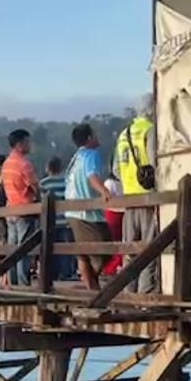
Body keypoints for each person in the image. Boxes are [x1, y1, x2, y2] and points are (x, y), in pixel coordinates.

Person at [65, 123, 116, 290]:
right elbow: (92, 175)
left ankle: (91, 288)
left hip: (72, 209)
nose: (97, 136)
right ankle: (91, 286)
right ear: (89, 138)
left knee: (84, 253)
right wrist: (104, 191)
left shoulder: (75, 158)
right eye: (94, 134)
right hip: (86, 211)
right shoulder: (92, 154)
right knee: (105, 249)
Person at [115, 103, 160, 293]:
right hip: (147, 197)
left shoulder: (123, 134)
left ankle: (128, 293)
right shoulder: (149, 130)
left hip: (129, 198)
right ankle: (144, 295)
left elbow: (116, 169)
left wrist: (129, 181)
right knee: (148, 250)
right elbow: (154, 162)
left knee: (130, 251)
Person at [2, 129, 40, 285]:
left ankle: (13, 282)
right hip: (25, 209)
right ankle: (23, 283)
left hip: (11, 209)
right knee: (24, 249)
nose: (29, 145)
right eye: (27, 142)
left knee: (13, 248)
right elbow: (35, 187)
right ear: (19, 144)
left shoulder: (6, 164)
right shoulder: (24, 164)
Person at [39, 155, 77, 281]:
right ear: (60, 168)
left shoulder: (43, 183)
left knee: (50, 248)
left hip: (50, 221)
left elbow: (41, 202)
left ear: (48, 168)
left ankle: (52, 274)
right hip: (66, 220)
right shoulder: (66, 181)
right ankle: (66, 273)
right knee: (66, 248)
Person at [102, 172, 125, 276]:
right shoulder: (122, 182)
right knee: (121, 241)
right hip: (122, 213)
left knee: (114, 243)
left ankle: (112, 267)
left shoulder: (109, 183)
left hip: (112, 213)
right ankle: (119, 264)